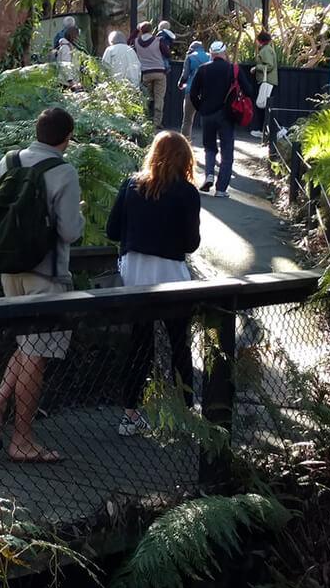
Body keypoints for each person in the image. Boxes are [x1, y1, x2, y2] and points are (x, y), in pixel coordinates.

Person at [0, 107, 83, 463]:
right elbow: (70, 232)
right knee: (35, 356)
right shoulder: (63, 171)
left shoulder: (7, 162)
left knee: (27, 346)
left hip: (9, 269)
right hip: (46, 274)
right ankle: (22, 440)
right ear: (66, 138)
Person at [106, 131, 202, 436]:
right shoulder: (187, 193)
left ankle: (129, 414)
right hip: (170, 273)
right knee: (179, 344)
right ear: (185, 160)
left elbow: (112, 231)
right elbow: (190, 243)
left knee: (139, 344)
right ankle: (186, 413)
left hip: (134, 273)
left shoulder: (131, 185)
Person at [188, 40, 247, 196]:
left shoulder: (203, 69)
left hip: (207, 114)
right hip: (227, 115)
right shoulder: (233, 69)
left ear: (211, 54)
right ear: (224, 53)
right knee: (227, 152)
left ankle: (209, 174)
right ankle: (221, 189)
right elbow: (249, 90)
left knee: (209, 148)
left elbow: (193, 93)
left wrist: (201, 108)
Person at [133, 21, 168, 126]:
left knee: (145, 97)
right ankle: (157, 122)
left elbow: (128, 41)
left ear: (141, 30)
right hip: (159, 72)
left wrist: (136, 31)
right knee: (159, 97)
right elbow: (167, 53)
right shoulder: (158, 40)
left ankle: (145, 120)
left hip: (145, 73)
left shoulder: (136, 41)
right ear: (151, 29)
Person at [179, 40, 210, 138]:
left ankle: (185, 142)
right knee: (208, 119)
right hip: (206, 91)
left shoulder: (190, 57)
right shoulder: (209, 56)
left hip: (191, 90)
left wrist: (180, 84)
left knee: (187, 120)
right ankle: (208, 142)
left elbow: (185, 75)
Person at [50, 20, 82, 85]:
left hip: (73, 81)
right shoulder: (65, 48)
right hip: (66, 83)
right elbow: (65, 65)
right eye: (77, 36)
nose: (78, 38)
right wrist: (70, 81)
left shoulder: (72, 47)